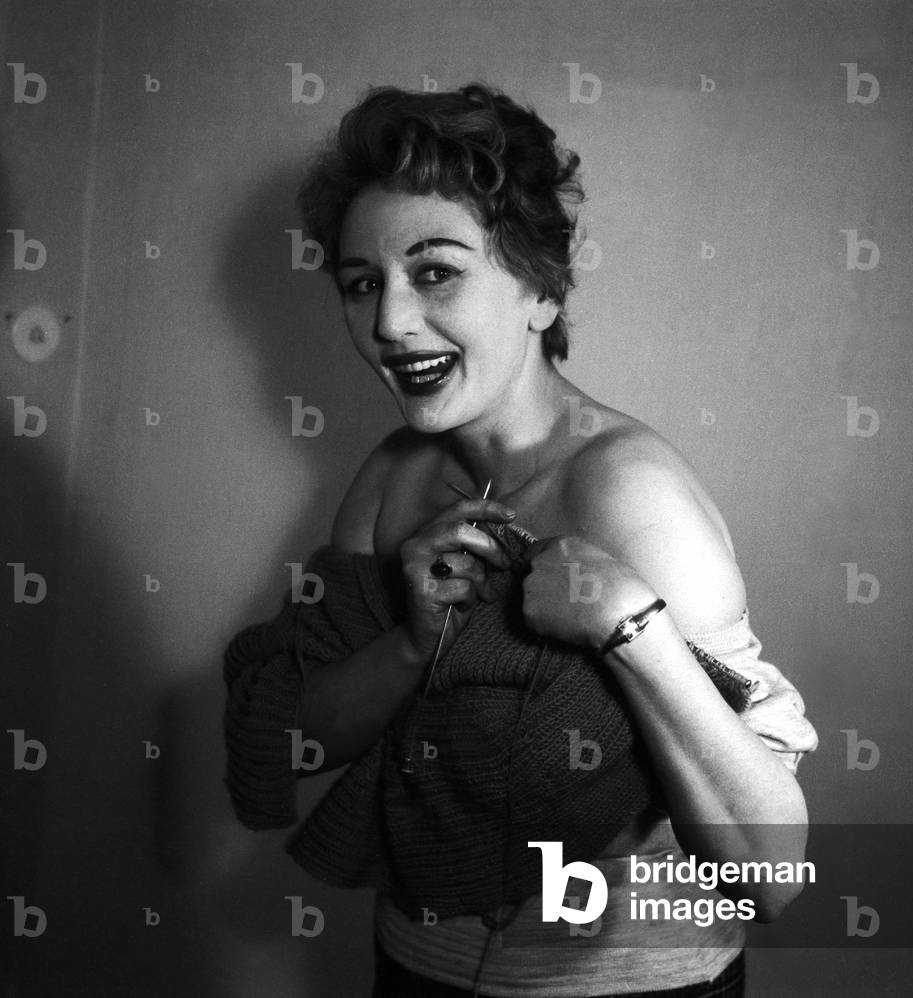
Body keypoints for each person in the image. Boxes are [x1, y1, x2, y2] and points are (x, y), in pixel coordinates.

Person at [222, 82, 818, 998]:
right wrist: (412, 642)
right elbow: (296, 740)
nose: (389, 323)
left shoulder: (630, 493)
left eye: (434, 272)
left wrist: (634, 629)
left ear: (539, 287)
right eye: (361, 284)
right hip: (415, 968)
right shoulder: (390, 478)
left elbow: (768, 874)